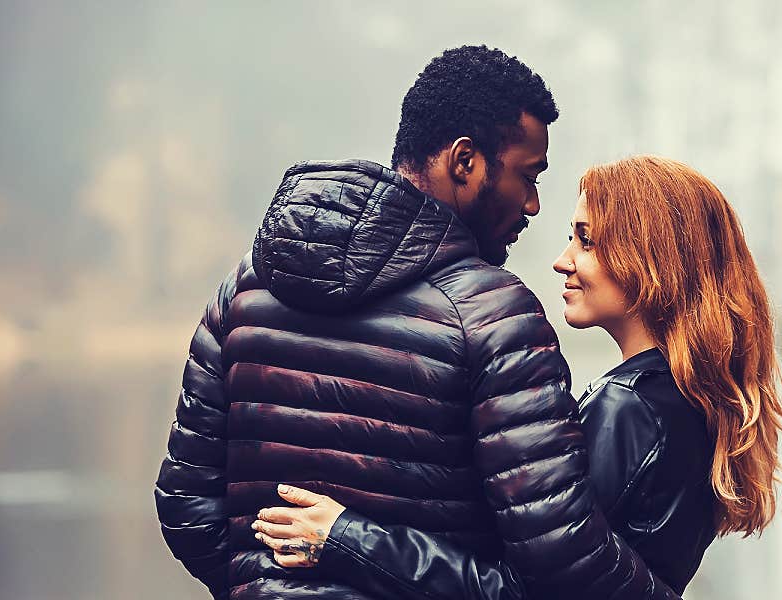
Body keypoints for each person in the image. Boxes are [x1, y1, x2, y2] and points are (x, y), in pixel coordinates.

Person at [154, 46, 684, 600]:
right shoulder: (494, 315)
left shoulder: (246, 286)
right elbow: (559, 563)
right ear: (465, 162)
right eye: (528, 177)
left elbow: (186, 507)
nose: (531, 205)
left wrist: (262, 584)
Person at [252, 155, 782, 598]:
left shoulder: (633, 409)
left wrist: (348, 538)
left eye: (587, 240)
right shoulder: (681, 400)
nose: (562, 260)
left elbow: (525, 594)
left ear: (650, 259)